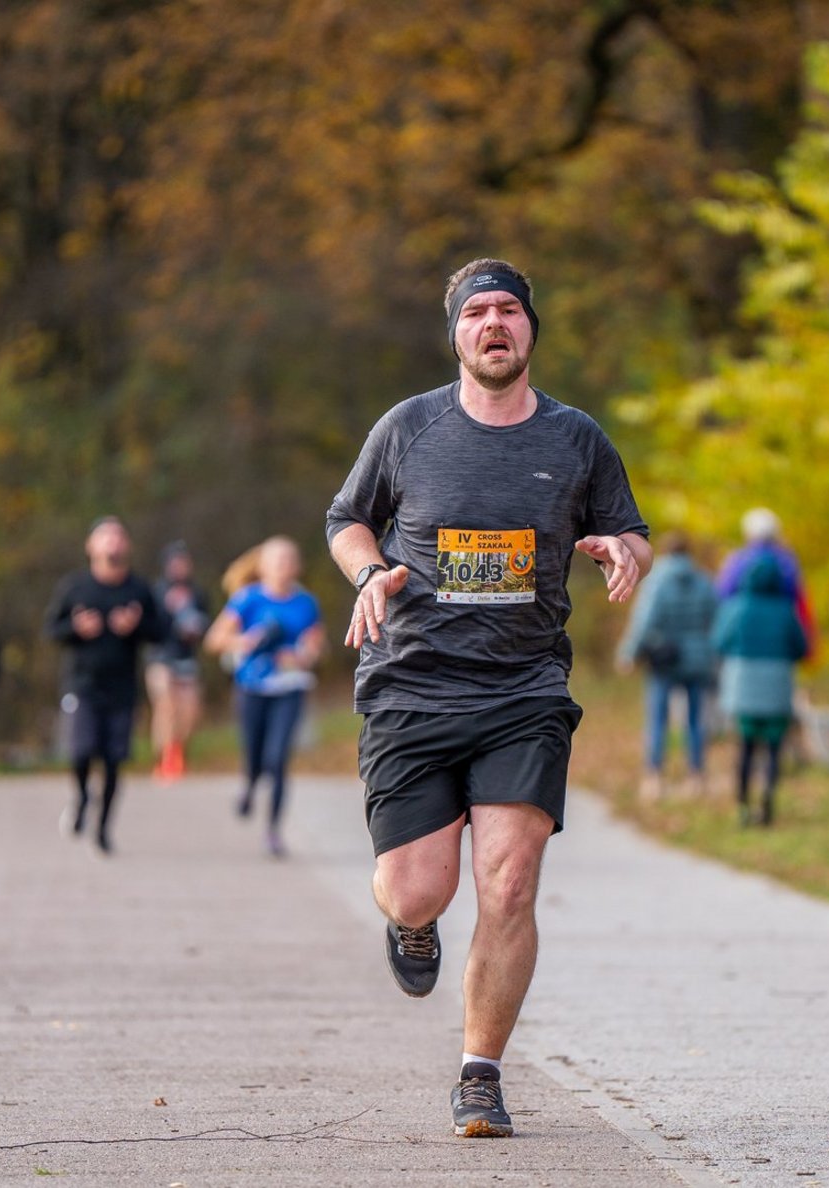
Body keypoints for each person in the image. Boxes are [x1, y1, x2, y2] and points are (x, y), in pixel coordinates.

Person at [325, 257, 651, 1139]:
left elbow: (629, 526)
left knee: (508, 887)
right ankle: (412, 924)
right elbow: (345, 517)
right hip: (414, 688)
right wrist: (369, 574)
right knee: (415, 889)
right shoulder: (409, 429)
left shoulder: (576, 438)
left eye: (509, 310)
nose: (494, 324)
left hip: (524, 689)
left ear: (530, 329)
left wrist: (626, 552)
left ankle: (480, 1074)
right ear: (458, 333)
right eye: (478, 313)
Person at [45, 516, 164, 853]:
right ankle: (82, 797)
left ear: (126, 546)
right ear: (91, 546)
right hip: (82, 685)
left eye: (119, 535)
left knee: (113, 761)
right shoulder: (74, 587)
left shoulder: (139, 590)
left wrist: (135, 627)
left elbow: (160, 632)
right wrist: (75, 628)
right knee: (81, 751)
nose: (113, 541)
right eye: (105, 535)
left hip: (122, 689)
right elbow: (51, 630)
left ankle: (103, 829)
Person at [204, 536, 325, 857]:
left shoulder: (306, 603)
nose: (283, 566)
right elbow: (214, 640)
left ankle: (272, 831)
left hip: (290, 687)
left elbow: (316, 644)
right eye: (276, 560)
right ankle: (248, 785)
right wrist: (246, 642)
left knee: (278, 759)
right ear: (263, 566)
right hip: (252, 687)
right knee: (255, 757)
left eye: (289, 560)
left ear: (297, 566)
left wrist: (301, 657)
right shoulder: (247, 599)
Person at [615, 531, 718, 801]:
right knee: (696, 720)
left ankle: (654, 779)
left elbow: (644, 620)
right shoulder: (704, 580)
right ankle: (696, 777)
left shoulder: (658, 580)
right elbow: (715, 619)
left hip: (665, 657)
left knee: (658, 718)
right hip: (698, 657)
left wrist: (628, 653)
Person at [712, 555, 809, 827]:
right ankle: (767, 801)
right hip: (777, 685)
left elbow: (719, 642)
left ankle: (743, 805)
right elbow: (801, 647)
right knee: (774, 748)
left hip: (743, 686)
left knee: (745, 747)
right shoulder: (786, 610)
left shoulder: (736, 607)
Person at [145, 541, 210, 781]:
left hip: (187, 658)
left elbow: (206, 624)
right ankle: (163, 758)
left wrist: (196, 629)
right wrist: (168, 613)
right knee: (166, 705)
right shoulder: (156, 592)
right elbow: (148, 627)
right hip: (160, 657)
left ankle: (177, 750)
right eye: (176, 562)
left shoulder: (197, 593)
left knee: (191, 711)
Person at [717, 507, 817, 653]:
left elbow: (724, 595)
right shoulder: (786, 561)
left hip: (743, 639)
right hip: (778, 639)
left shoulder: (738, 560)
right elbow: (795, 598)